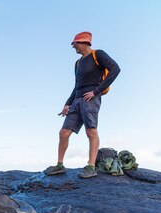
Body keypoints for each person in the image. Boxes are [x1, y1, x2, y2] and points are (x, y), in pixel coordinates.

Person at [44, 31, 120, 178]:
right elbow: (77, 84)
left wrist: (96, 91)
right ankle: (59, 165)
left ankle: (91, 167)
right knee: (64, 132)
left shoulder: (98, 55)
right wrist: (68, 103)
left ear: (84, 42)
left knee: (91, 131)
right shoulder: (78, 63)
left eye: (75, 44)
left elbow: (115, 69)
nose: (73, 47)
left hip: (90, 99)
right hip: (77, 99)